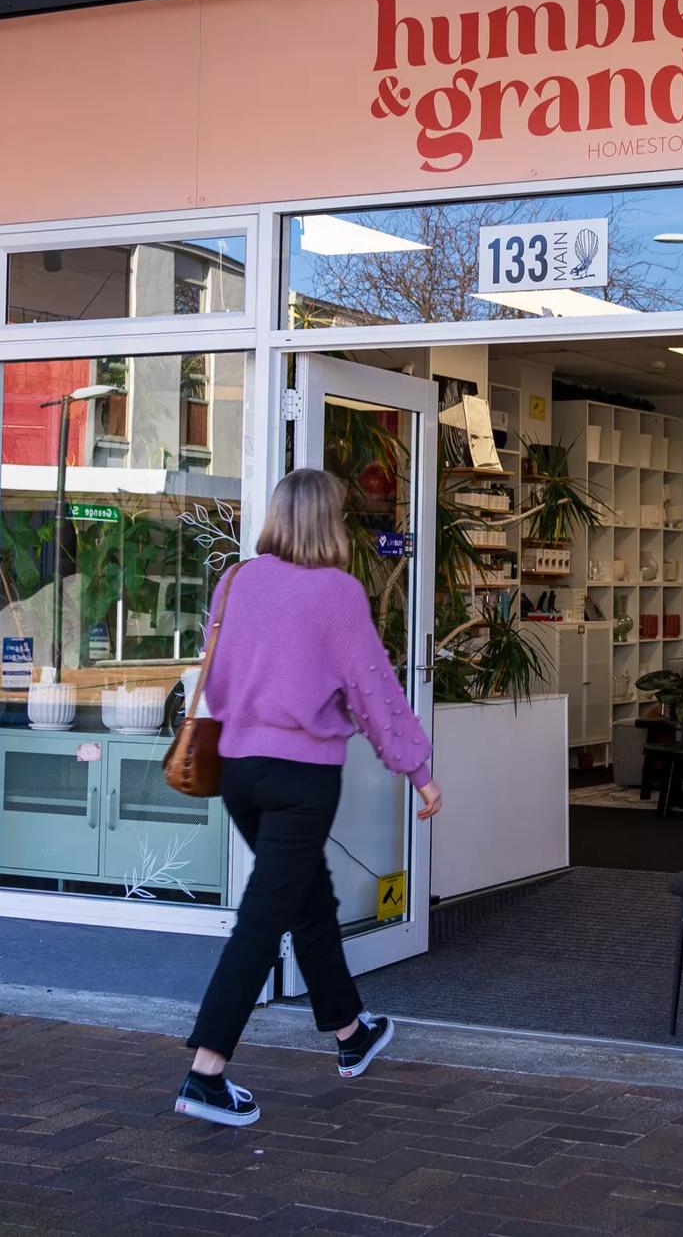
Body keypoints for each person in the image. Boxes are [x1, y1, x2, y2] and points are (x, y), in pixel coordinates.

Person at [176, 468, 442, 1127]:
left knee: (306, 899)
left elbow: (220, 676)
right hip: (300, 780)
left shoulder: (238, 581)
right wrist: (418, 771)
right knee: (264, 919)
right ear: (332, 522)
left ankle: (351, 1031)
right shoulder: (338, 594)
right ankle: (206, 1074)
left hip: (238, 770)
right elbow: (373, 693)